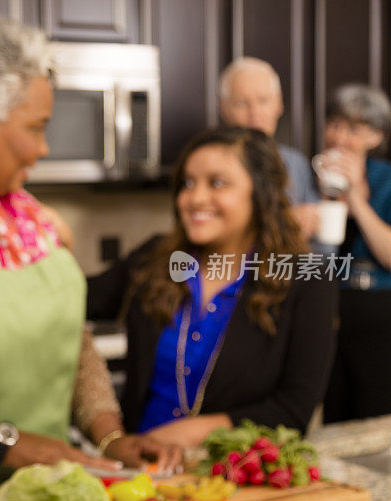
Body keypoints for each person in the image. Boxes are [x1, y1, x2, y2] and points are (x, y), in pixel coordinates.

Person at [0, 18, 181, 480]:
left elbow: (71, 340)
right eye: (37, 127)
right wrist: (8, 444)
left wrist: (109, 435)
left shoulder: (28, 217)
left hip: (42, 485)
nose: (42, 149)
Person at [87, 127, 338, 447]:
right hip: (139, 470)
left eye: (216, 183)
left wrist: (183, 435)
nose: (195, 198)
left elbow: (293, 411)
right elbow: (75, 299)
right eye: (188, 183)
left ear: (261, 193)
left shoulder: (307, 279)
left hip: (230, 480)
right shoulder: (154, 258)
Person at [319, 84, 391, 422]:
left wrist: (356, 201)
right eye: (334, 124)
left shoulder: (386, 180)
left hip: (377, 312)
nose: (338, 136)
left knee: (375, 416)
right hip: (326, 309)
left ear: (375, 137)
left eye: (353, 129)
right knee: (334, 414)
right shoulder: (309, 173)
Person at [219, 57, 321, 242]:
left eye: (263, 100)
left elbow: (323, 250)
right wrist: (284, 224)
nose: (255, 112)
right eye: (242, 103)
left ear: (279, 104)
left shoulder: (295, 162)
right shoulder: (211, 162)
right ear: (223, 108)